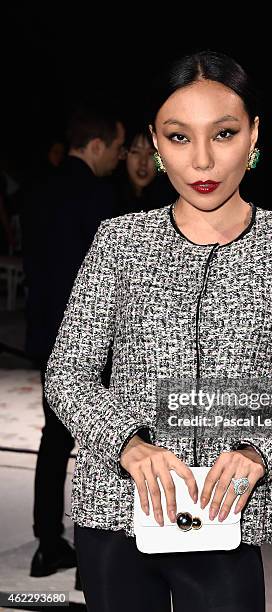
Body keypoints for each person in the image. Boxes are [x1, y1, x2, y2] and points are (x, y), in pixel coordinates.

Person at [44, 51, 272, 612]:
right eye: (179, 137)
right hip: (117, 509)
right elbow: (67, 373)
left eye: (225, 133)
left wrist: (262, 450)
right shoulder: (119, 242)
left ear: (254, 134)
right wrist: (127, 446)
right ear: (155, 144)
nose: (203, 160)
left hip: (229, 515)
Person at [21, 106, 125, 583]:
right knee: (101, 448)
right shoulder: (97, 196)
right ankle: (94, 560)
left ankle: (47, 542)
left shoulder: (38, 189)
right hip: (88, 342)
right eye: (119, 149)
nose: (121, 158)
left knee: (54, 440)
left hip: (45, 333)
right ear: (98, 145)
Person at [115, 123, 177, 215]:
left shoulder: (172, 202)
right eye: (135, 152)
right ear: (123, 154)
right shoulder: (108, 198)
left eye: (151, 153)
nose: (143, 162)